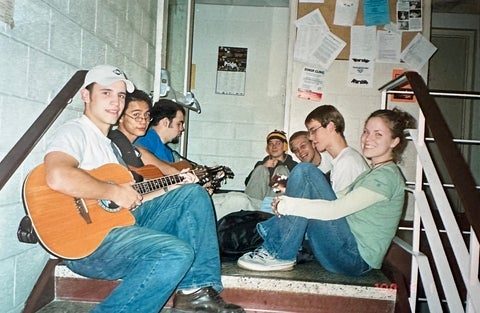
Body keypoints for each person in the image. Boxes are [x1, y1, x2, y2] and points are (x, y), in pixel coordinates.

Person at [44, 64, 244, 313]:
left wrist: (174, 185)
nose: (115, 102)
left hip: (119, 224)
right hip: (88, 244)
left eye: (120, 95)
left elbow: (131, 197)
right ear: (86, 95)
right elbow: (57, 175)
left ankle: (195, 291)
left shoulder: (110, 146)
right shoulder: (75, 132)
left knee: (191, 194)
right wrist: (112, 191)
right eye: (106, 93)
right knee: (176, 253)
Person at [237, 107, 416, 276]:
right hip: (344, 248)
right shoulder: (373, 172)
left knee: (305, 171)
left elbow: (335, 209)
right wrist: (288, 205)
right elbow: (335, 199)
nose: (368, 139)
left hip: (354, 258)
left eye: (378, 134)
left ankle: (278, 254)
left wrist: (288, 206)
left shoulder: (386, 177)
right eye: (366, 131)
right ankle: (274, 246)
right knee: (305, 173)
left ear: (394, 141)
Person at [108, 88, 181, 182]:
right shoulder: (114, 141)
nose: (143, 120)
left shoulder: (132, 150)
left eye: (146, 115)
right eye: (136, 115)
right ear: (121, 117)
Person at [244, 130, 298, 200]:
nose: (274, 146)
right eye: (270, 143)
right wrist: (264, 165)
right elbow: (247, 183)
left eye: (278, 143)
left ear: (284, 146)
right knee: (261, 168)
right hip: (257, 202)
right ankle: (251, 207)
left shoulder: (293, 165)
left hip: (278, 203)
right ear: (267, 147)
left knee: (282, 169)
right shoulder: (261, 164)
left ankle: (274, 206)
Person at [134, 98, 186, 163]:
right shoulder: (145, 139)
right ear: (165, 122)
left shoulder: (168, 153)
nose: (182, 129)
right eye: (179, 124)